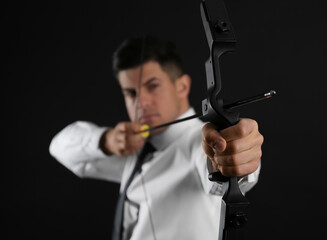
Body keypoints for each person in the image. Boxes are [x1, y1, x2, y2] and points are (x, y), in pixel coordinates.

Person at [49, 36, 264, 240]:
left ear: (182, 87)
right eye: (131, 93)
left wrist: (233, 157)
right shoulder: (134, 149)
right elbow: (60, 147)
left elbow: (219, 168)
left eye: (152, 86)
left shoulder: (196, 143)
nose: (140, 102)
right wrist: (106, 140)